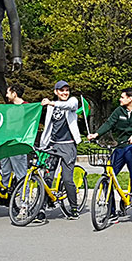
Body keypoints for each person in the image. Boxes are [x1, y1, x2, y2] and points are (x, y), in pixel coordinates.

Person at [88, 88, 132, 221]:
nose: (120, 99)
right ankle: (111, 212)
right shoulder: (119, 110)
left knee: (129, 152)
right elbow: (109, 123)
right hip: (121, 145)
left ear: (130, 99)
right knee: (108, 176)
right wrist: (96, 134)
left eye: (122, 97)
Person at [38, 80, 83, 221]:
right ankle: (41, 208)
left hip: (68, 146)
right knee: (47, 177)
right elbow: (48, 125)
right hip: (52, 145)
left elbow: (69, 105)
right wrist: (43, 144)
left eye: (67, 90)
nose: (65, 93)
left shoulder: (72, 102)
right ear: (55, 92)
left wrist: (51, 103)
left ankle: (74, 207)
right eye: (61, 90)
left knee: (67, 178)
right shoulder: (51, 107)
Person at [0, 84, 31, 186]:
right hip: (6, 143)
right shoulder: (9, 108)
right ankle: (7, 198)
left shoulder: (27, 107)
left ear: (14, 94)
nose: (6, 95)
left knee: (21, 173)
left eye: (8, 92)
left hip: (18, 145)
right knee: (5, 172)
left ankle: (24, 200)